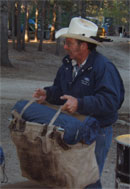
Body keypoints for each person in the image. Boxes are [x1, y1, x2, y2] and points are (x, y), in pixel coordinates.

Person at [33, 17, 125, 189]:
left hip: (98, 132)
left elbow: (111, 101)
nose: (65, 47)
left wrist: (80, 104)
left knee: (89, 179)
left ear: (83, 45)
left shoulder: (103, 67)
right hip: (73, 127)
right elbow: (60, 91)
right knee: (70, 175)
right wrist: (47, 93)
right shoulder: (68, 65)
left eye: (69, 43)